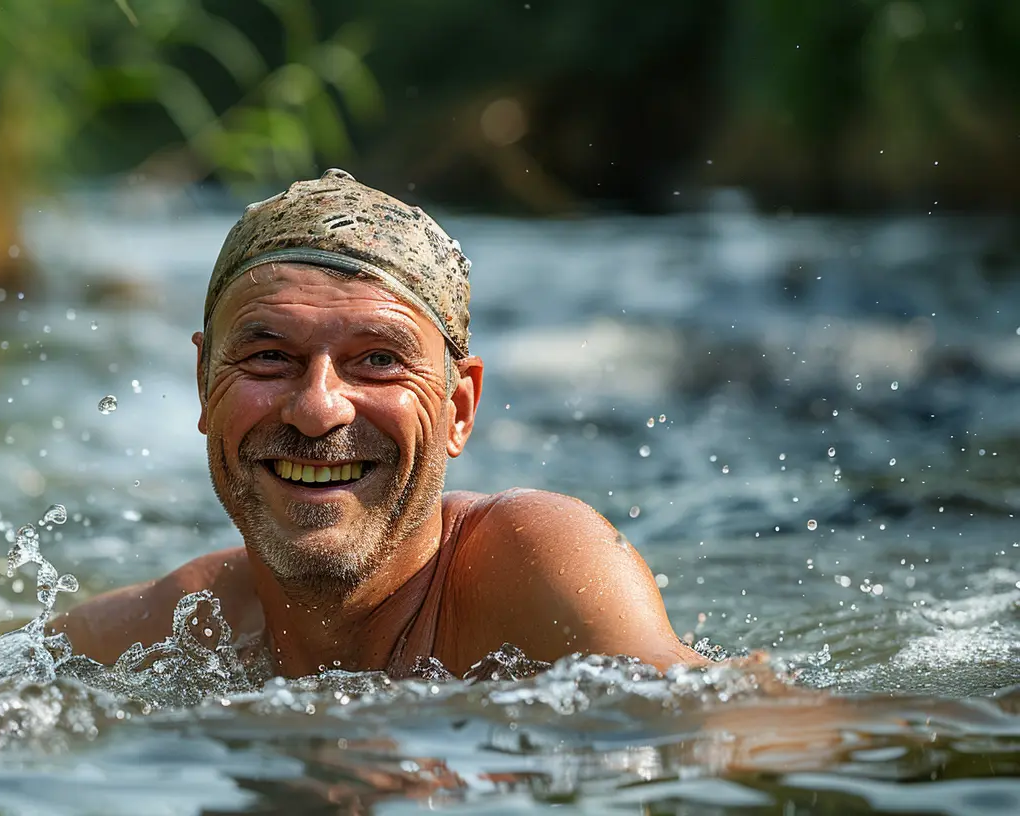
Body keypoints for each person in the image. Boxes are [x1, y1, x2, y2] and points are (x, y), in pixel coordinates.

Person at [49, 169, 707, 677]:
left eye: (380, 361)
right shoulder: (172, 635)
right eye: (270, 356)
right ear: (203, 383)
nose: (317, 407)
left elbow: (717, 723)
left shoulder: (536, 567)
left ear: (459, 408)